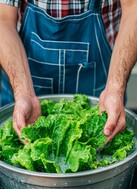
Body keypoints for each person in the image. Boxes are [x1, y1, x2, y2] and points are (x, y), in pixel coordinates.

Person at [0, 0, 137, 141]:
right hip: (22, 77)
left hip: (102, 84)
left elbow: (134, 8)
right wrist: (23, 92)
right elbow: (2, 19)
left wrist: (115, 87)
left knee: (107, 132)